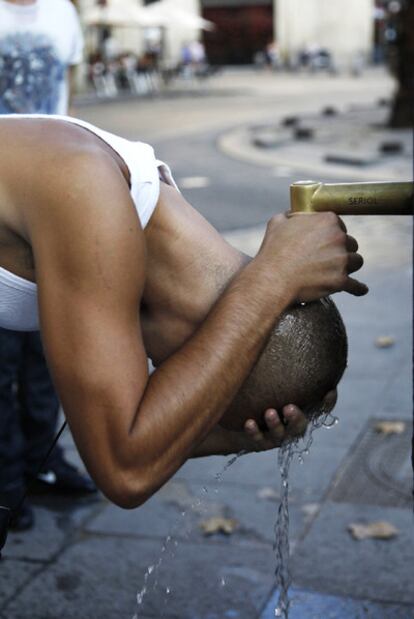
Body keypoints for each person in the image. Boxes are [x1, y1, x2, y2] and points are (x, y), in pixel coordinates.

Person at [0, 114, 367, 511]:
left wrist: (231, 436)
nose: (155, 368)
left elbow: (132, 445)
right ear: (218, 339)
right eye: (179, 373)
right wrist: (273, 277)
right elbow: (125, 472)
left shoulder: (132, 202)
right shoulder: (89, 193)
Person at [0, 0, 96, 532]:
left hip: (53, 199)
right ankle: (7, 485)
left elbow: (68, 92)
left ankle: (43, 464)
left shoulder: (64, 12)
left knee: (49, 344)